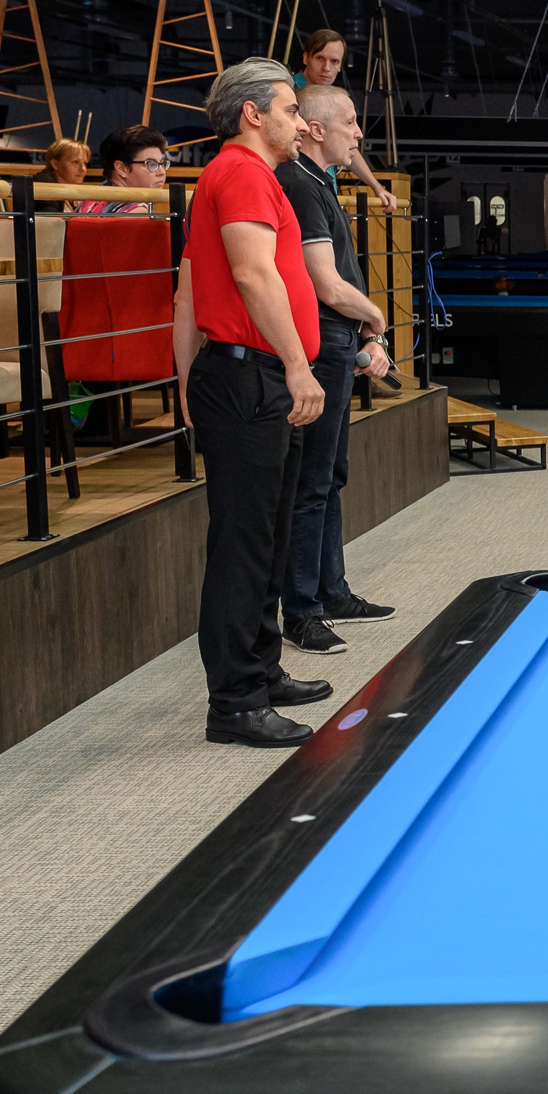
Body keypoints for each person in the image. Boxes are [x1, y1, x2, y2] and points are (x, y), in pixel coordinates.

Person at [172, 58, 333, 748]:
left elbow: (187, 286)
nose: (301, 123)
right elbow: (251, 273)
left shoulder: (245, 175)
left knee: (266, 536)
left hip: (249, 377)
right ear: (253, 113)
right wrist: (297, 365)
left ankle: (262, 671)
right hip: (252, 376)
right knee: (243, 545)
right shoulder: (240, 172)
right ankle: (235, 702)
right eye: (291, 110)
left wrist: (184, 379)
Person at [276, 83, 399, 658]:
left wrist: (364, 337)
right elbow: (325, 284)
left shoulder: (321, 181)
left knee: (331, 476)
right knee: (311, 483)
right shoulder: (299, 183)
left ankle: (332, 591)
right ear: (318, 129)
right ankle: (302, 612)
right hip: (322, 344)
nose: (358, 132)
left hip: (339, 342)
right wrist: (375, 318)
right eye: (350, 122)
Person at [293, 28, 399, 213]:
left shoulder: (334, 97)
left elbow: (349, 144)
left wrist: (377, 187)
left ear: (340, 65)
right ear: (306, 58)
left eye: (334, 61)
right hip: (298, 189)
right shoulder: (288, 93)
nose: (326, 68)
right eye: (320, 58)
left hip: (324, 190)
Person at [81, 124, 168, 214]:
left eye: (162, 163)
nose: (162, 172)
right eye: (151, 164)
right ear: (121, 169)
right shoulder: (138, 214)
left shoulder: (89, 200)